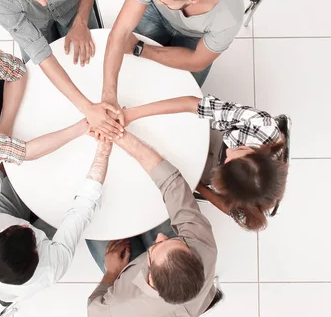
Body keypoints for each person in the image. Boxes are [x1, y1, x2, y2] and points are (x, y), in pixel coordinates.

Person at [0, 0, 123, 140]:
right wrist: (86, 108)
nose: (42, 3)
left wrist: (81, 21)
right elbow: (40, 52)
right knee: (40, 78)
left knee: (96, 57)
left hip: (73, 10)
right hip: (32, 25)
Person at [86, 131, 217, 317]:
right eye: (176, 240)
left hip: (124, 277)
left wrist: (111, 273)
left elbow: (93, 316)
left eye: (156, 246)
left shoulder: (119, 308)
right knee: (155, 204)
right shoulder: (203, 247)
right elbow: (173, 184)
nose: (160, 237)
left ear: (151, 280)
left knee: (92, 224)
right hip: (182, 299)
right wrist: (123, 137)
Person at [0, 140, 113, 303]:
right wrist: (103, 154)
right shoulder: (51, 267)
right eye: (32, 235)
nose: (26, 225)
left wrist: (15, 157)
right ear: (38, 255)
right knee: (68, 211)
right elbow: (81, 210)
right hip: (6, 292)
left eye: (16, 228)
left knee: (14, 174)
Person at [101, 0, 244, 123]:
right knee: (128, 65)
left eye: (163, 0)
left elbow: (197, 61)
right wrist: (108, 96)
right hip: (158, 15)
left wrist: (140, 48)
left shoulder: (228, 17)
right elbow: (119, 32)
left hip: (196, 35)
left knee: (183, 91)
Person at [123, 94, 288, 230]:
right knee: (161, 128)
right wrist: (130, 114)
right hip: (215, 135)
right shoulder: (262, 125)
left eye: (228, 161)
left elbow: (228, 207)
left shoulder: (251, 205)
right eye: (239, 150)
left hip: (208, 172)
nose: (229, 151)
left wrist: (197, 187)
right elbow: (191, 103)